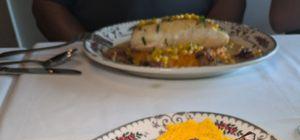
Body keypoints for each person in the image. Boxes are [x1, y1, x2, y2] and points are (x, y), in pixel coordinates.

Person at [32, 0, 246, 41]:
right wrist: (86, 46)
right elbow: (46, 6)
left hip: (198, 60)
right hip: (99, 64)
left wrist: (208, 41)